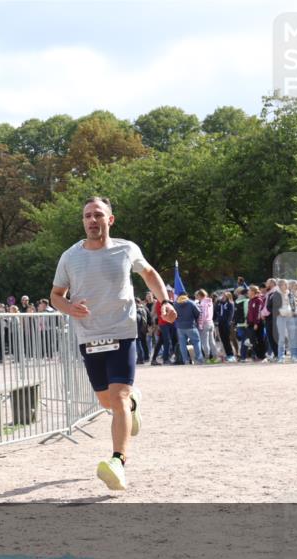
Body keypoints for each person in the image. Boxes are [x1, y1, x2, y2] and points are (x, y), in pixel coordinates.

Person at [51, 196, 175, 492]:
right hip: (89, 337)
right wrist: (69, 308)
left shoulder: (126, 249)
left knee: (116, 399)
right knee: (106, 402)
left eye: (97, 215)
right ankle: (133, 403)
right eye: (87, 216)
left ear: (110, 219)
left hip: (121, 332)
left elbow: (149, 274)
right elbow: (56, 294)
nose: (92, 220)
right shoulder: (70, 256)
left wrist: (165, 302)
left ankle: (118, 462)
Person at [174, 293, 202, 365]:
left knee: (182, 344)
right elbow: (198, 313)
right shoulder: (191, 303)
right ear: (186, 296)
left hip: (180, 327)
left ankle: (185, 360)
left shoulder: (175, 304)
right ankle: (199, 359)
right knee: (196, 342)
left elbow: (174, 315)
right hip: (191, 326)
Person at [195, 289, 218, 363]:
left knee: (205, 342)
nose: (196, 297)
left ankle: (207, 358)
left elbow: (203, 315)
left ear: (200, 295)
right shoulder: (209, 302)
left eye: (197, 296)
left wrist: (200, 325)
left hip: (205, 324)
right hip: (211, 322)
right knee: (212, 341)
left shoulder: (202, 303)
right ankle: (215, 358)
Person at [246, 285, 267, 361]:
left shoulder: (258, 300)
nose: (248, 292)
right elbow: (249, 313)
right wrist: (247, 320)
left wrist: (256, 323)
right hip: (250, 323)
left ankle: (262, 356)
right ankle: (257, 355)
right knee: (252, 341)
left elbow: (258, 312)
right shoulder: (250, 301)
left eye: (249, 290)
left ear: (253, 291)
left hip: (258, 324)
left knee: (259, 340)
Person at [215, 291, 237, 361]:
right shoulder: (220, 304)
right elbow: (216, 310)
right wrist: (217, 302)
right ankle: (228, 355)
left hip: (226, 324)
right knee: (223, 340)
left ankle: (231, 355)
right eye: (222, 296)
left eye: (224, 296)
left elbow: (231, 314)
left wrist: (228, 323)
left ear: (228, 297)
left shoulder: (230, 304)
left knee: (227, 340)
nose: (222, 297)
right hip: (220, 323)